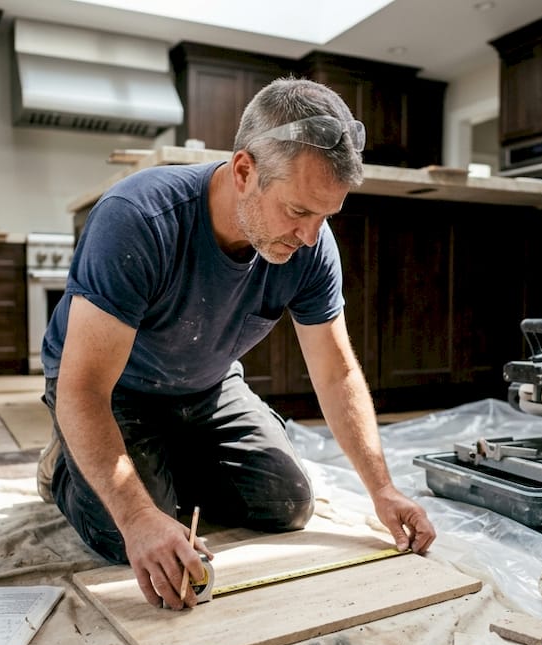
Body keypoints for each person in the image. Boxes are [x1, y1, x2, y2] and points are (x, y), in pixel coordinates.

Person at [38, 76, 437, 611]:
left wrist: (382, 489)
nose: (311, 236)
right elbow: (83, 386)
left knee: (288, 504)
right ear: (245, 170)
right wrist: (137, 517)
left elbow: (336, 372)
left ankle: (161, 463)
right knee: (124, 539)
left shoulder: (311, 245)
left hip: (206, 387)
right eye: (298, 211)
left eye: (326, 216)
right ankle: (66, 464)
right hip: (115, 393)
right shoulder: (137, 220)